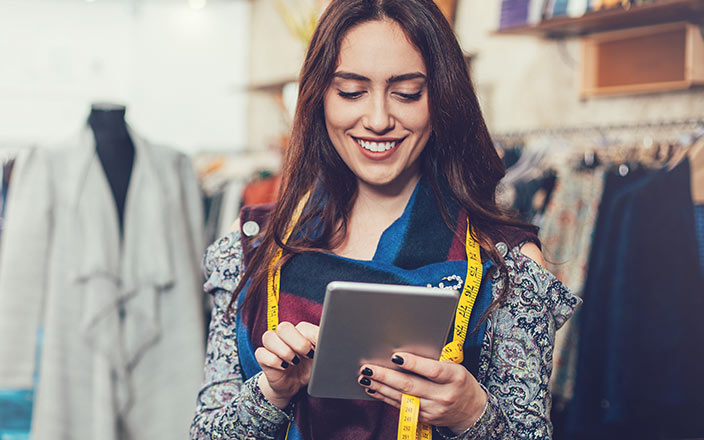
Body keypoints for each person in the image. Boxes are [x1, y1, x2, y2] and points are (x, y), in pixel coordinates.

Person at [190, 0, 580, 438]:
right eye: (351, 92)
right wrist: (271, 393)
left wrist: (471, 413)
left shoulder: (506, 262)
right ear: (318, 96)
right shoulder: (253, 247)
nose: (378, 120)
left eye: (407, 93)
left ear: (444, 98)